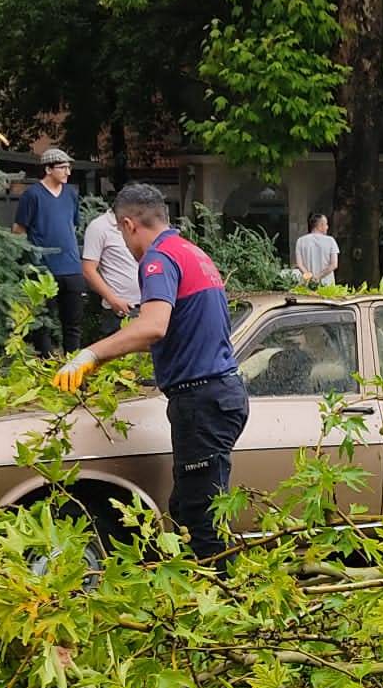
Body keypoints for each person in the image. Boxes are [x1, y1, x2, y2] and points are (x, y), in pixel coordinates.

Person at [51, 184, 248, 563]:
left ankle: (222, 602)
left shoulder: (157, 259)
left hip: (201, 400)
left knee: (199, 517)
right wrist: (103, 361)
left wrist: (88, 354)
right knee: (190, 506)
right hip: (217, 394)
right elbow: (169, 331)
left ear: (128, 225)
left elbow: (153, 326)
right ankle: (207, 591)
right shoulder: (191, 252)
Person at [14, 148, 86, 354]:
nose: (68, 172)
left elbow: (72, 226)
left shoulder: (71, 194)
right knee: (42, 324)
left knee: (73, 324)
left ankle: (73, 367)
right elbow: (19, 230)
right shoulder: (32, 195)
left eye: (68, 167)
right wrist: (28, 261)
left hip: (71, 266)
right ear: (48, 169)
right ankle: (45, 364)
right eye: (62, 167)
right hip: (43, 268)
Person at [81, 207, 142, 323]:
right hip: (121, 308)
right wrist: (113, 300)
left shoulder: (142, 222)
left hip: (150, 304)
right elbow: (88, 270)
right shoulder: (99, 227)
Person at [293, 213, 340, 286]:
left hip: (307, 285)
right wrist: (318, 277)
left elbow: (299, 265)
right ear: (320, 225)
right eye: (326, 224)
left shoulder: (300, 241)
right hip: (327, 286)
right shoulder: (330, 241)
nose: (327, 227)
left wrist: (310, 277)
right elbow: (334, 264)